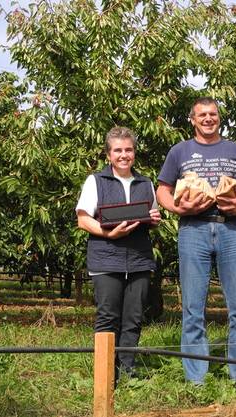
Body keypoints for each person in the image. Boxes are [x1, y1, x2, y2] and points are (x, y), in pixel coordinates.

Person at [156, 97, 236, 387]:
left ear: (219, 118)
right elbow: (163, 190)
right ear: (192, 119)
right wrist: (178, 208)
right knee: (193, 308)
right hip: (194, 229)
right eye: (201, 114)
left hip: (233, 230)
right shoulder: (179, 151)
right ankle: (196, 380)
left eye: (213, 114)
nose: (208, 118)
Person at [75, 126, 162, 379]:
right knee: (108, 316)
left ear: (134, 152)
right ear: (108, 155)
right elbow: (83, 219)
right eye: (118, 150)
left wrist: (154, 219)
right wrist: (107, 233)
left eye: (128, 150)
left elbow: (152, 213)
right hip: (106, 257)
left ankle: (127, 368)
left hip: (139, 259)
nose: (124, 155)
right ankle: (105, 372)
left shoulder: (146, 182)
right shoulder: (96, 181)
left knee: (134, 318)